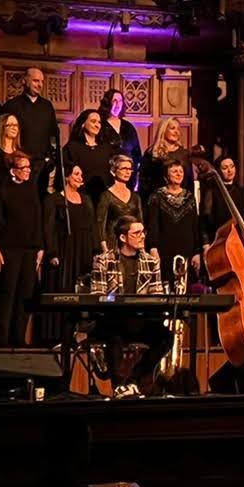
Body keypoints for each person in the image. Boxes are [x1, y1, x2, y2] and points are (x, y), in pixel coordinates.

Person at [103, 219, 170, 397]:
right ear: (123, 238)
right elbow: (98, 296)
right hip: (113, 319)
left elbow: (157, 295)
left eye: (143, 232)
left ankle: (132, 380)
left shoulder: (151, 262)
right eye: (136, 233)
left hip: (140, 320)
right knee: (113, 333)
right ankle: (118, 386)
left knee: (165, 337)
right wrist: (114, 301)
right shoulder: (104, 261)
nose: (142, 237)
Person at [0, 150, 44, 347]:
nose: (28, 171)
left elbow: (38, 219)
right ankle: (1, 340)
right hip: (9, 249)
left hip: (30, 250)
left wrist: (40, 247)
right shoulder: (3, 191)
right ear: (13, 171)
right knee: (7, 294)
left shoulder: (31, 190)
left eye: (29, 167)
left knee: (25, 295)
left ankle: (19, 338)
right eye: (23, 168)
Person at [44, 163, 100, 296]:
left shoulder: (86, 199)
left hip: (84, 248)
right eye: (76, 174)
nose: (80, 178)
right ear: (66, 176)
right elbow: (49, 227)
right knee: (65, 287)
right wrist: (52, 252)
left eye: (81, 175)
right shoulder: (54, 199)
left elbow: (93, 225)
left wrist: (96, 250)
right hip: (65, 248)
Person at [1, 67, 59, 189]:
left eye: (42, 81)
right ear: (24, 81)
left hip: (42, 164)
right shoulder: (12, 105)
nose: (40, 85)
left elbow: (54, 134)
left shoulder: (47, 106)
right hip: (20, 163)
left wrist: (53, 158)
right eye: (36, 81)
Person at [145, 160, 201, 285]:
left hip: (186, 249)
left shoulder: (189, 197)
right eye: (175, 171)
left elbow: (195, 225)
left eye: (181, 171)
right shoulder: (156, 196)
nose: (179, 174)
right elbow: (152, 224)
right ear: (166, 176)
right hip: (164, 250)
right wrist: (153, 248)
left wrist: (197, 252)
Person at [200, 155, 244, 243]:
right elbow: (205, 219)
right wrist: (205, 242)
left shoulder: (242, 191)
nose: (230, 170)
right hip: (218, 240)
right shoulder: (212, 191)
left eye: (232, 166)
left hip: (241, 240)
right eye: (225, 168)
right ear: (218, 170)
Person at [64, 109, 115, 205]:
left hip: (104, 199)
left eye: (99, 122)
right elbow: (67, 173)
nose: (97, 125)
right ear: (83, 124)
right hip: (81, 198)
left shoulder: (106, 148)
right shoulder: (72, 147)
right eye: (93, 121)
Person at [96, 154, 143, 248]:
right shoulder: (106, 196)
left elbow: (140, 222)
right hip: (113, 244)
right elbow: (100, 225)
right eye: (124, 168)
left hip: (132, 244)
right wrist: (105, 249)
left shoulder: (136, 197)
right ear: (113, 171)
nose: (128, 172)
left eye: (130, 169)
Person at [141, 117, 192, 199]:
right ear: (163, 130)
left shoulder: (184, 154)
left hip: (180, 199)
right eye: (172, 128)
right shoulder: (152, 152)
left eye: (178, 129)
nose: (176, 132)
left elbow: (189, 180)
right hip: (157, 199)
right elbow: (144, 180)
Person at [100, 88, 142, 186]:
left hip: (128, 178)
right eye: (114, 101)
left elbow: (136, 154)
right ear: (107, 103)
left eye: (120, 101)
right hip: (106, 177)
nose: (117, 105)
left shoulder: (128, 127)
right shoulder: (100, 125)